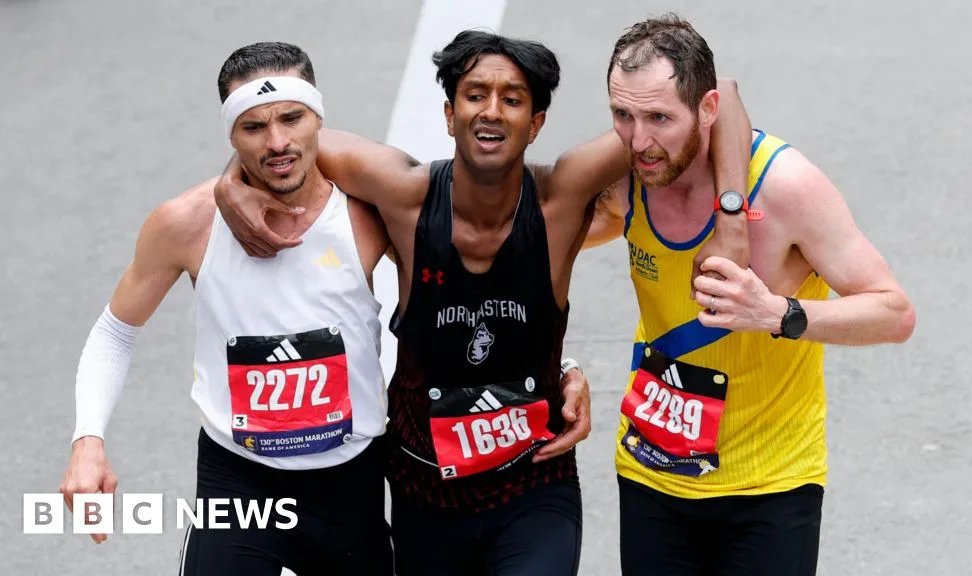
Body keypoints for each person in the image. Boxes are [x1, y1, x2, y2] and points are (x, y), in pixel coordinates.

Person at [214, 30, 755, 576]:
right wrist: (231, 179)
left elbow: (721, 94)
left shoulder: (561, 197)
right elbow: (279, 144)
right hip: (424, 492)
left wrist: (731, 220)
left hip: (533, 487)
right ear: (449, 114)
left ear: (536, 123)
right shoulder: (405, 195)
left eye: (513, 99)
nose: (491, 112)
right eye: (475, 96)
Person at [583, 14, 917, 576]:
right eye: (623, 115)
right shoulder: (628, 180)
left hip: (772, 485)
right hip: (652, 470)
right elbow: (528, 250)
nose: (639, 140)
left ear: (707, 109)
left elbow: (894, 311)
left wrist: (777, 313)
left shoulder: (787, 187)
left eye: (660, 118)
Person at [58, 42, 395, 575]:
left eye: (292, 118)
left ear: (319, 120)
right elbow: (114, 333)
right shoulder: (186, 223)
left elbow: (478, 280)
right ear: (230, 135)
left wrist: (557, 365)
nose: (277, 142)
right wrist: (87, 439)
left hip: (349, 484)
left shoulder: (370, 213)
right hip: (241, 482)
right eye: (253, 127)